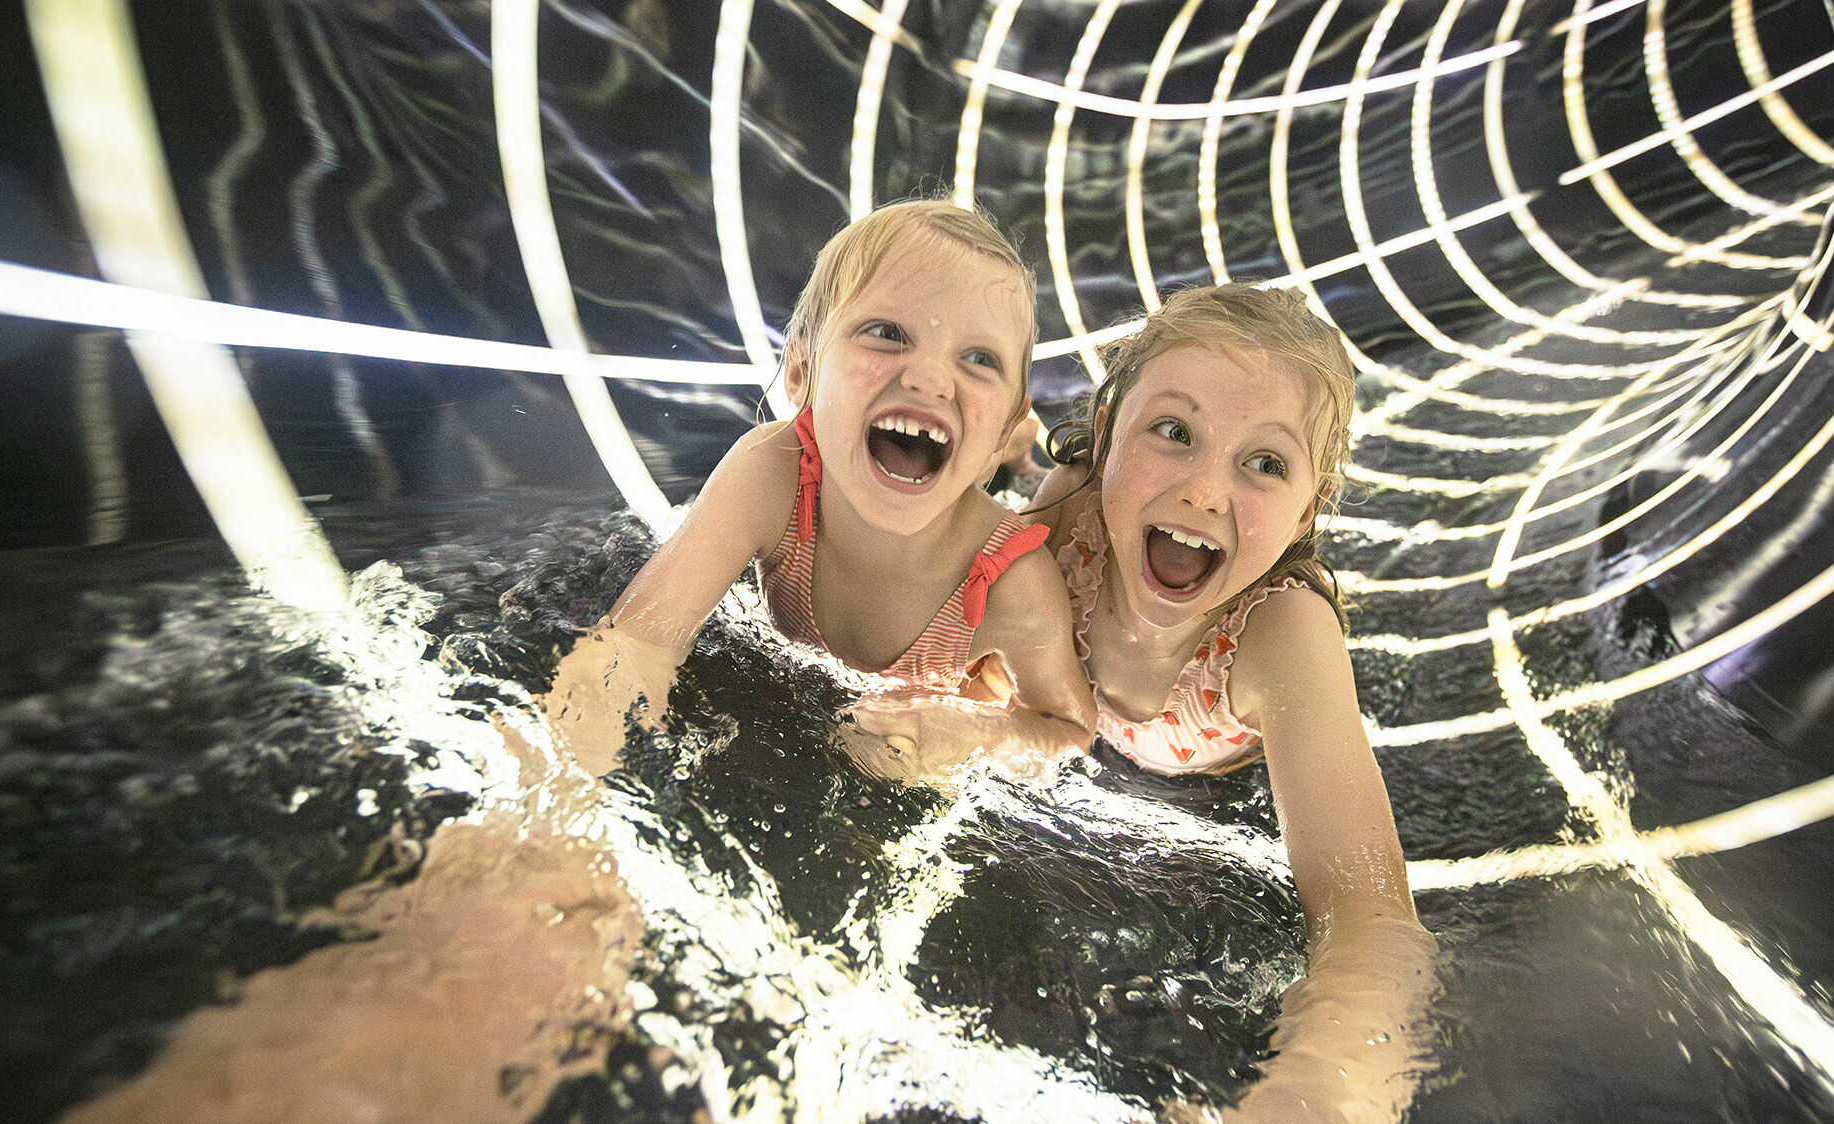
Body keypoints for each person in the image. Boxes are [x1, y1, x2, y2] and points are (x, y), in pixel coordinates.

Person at [1026, 283, 1438, 1122]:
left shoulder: (1279, 638)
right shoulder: (1068, 516)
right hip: (1078, 741)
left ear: (1304, 513)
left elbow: (1370, 915)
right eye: (1172, 432)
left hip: (1214, 798)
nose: (1204, 492)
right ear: (1105, 438)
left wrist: (1314, 1090)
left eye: (1264, 463)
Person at [542, 198, 1094, 778]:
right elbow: (637, 644)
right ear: (802, 369)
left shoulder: (1011, 583)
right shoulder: (772, 474)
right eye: (886, 333)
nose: (929, 378)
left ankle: (1017, 456)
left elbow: (1071, 729)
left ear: (1005, 418)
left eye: (979, 359)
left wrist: (981, 733)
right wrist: (564, 787)